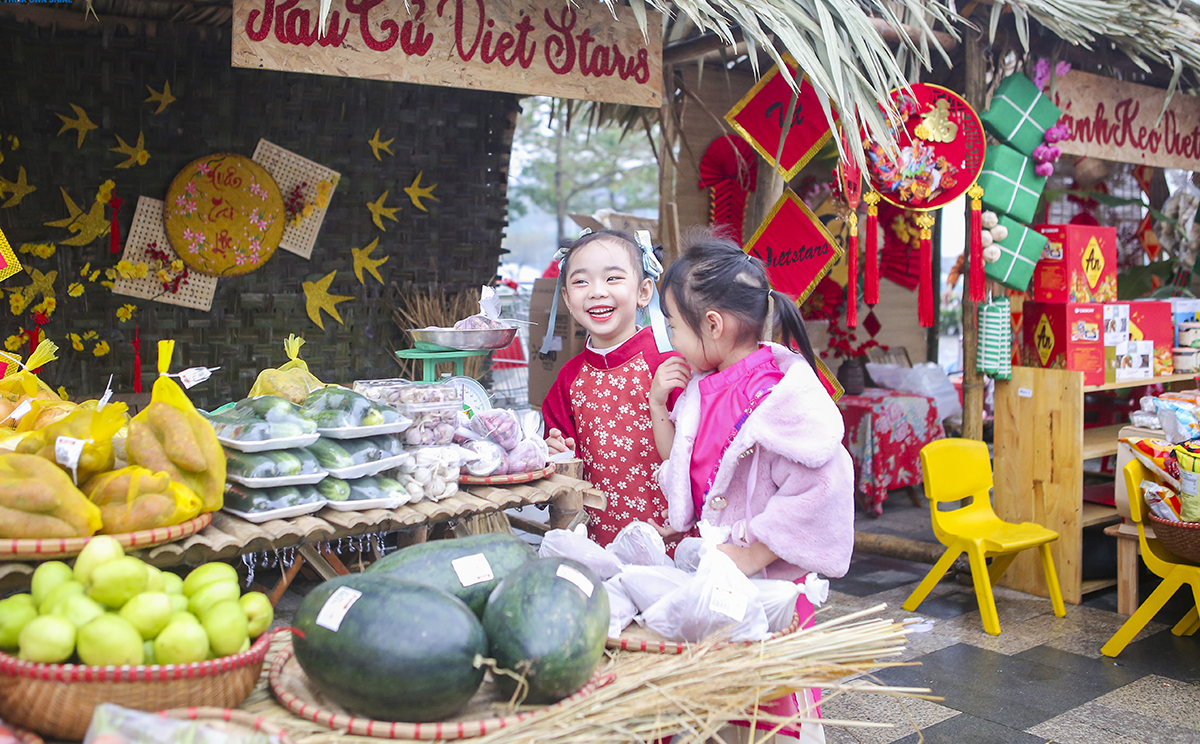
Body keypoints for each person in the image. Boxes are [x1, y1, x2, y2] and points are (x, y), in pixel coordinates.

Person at [649, 232, 855, 743]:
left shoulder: (780, 396)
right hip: (722, 582)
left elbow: (826, 485)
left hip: (772, 591)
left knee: (771, 713)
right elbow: (681, 466)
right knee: (719, 706)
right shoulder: (701, 389)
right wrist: (659, 406)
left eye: (673, 325)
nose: (670, 338)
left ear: (712, 325)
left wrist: (752, 556)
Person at [541, 229, 682, 548]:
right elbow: (561, 461)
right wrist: (553, 450)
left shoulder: (668, 366)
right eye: (580, 282)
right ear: (566, 297)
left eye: (613, 278)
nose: (595, 292)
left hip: (670, 535)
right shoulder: (568, 379)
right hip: (597, 540)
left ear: (644, 291)